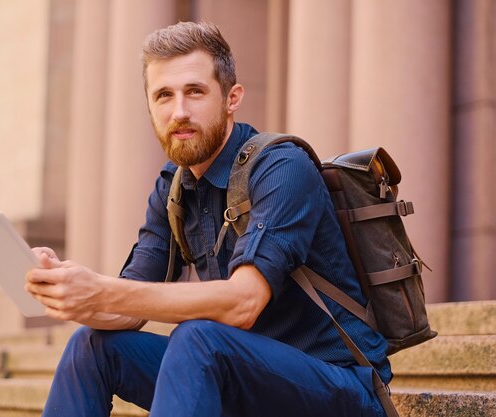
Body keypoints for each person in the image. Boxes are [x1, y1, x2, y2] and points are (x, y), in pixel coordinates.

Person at [26, 21, 391, 417]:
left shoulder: (282, 166)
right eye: (163, 95)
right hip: (244, 377)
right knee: (92, 347)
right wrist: (65, 291)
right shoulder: (173, 187)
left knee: (198, 338)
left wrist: (100, 290)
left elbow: (243, 303)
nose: (179, 112)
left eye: (195, 92)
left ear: (232, 98)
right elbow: (127, 310)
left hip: (341, 390)